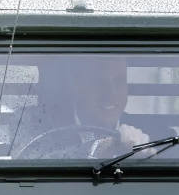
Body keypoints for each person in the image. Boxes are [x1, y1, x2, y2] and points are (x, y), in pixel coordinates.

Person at [15, 56, 155, 159]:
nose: (111, 93)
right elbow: (27, 161)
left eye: (119, 82)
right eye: (100, 82)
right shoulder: (35, 124)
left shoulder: (157, 135)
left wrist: (148, 159)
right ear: (76, 86)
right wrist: (101, 148)